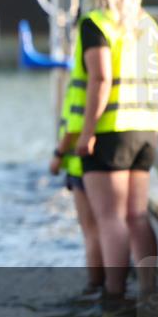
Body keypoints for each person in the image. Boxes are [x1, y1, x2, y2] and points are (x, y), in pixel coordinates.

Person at [70, 0, 158, 297]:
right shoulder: (144, 22)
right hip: (146, 130)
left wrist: (86, 133)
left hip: (110, 132)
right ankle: (149, 290)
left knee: (110, 218)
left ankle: (114, 296)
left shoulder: (96, 23)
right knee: (136, 216)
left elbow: (100, 78)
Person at [50, 76, 104, 294]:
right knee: (107, 225)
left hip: (80, 163)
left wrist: (58, 154)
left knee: (91, 231)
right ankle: (111, 284)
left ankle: (96, 287)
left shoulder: (81, 78)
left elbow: (73, 123)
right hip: (107, 155)